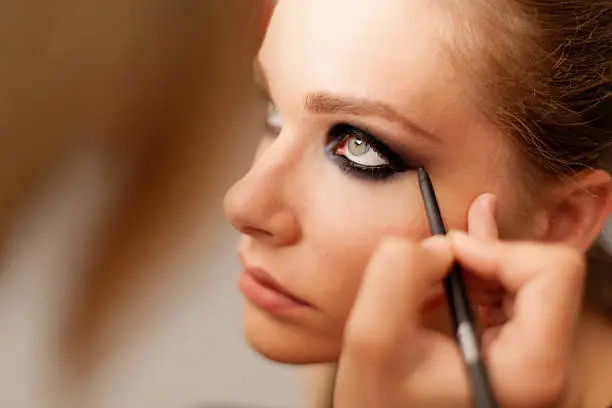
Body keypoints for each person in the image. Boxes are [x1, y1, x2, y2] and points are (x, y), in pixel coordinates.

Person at [223, 0, 612, 407]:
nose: (243, 204)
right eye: (273, 110)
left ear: (561, 220)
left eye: (361, 148)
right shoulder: (359, 342)